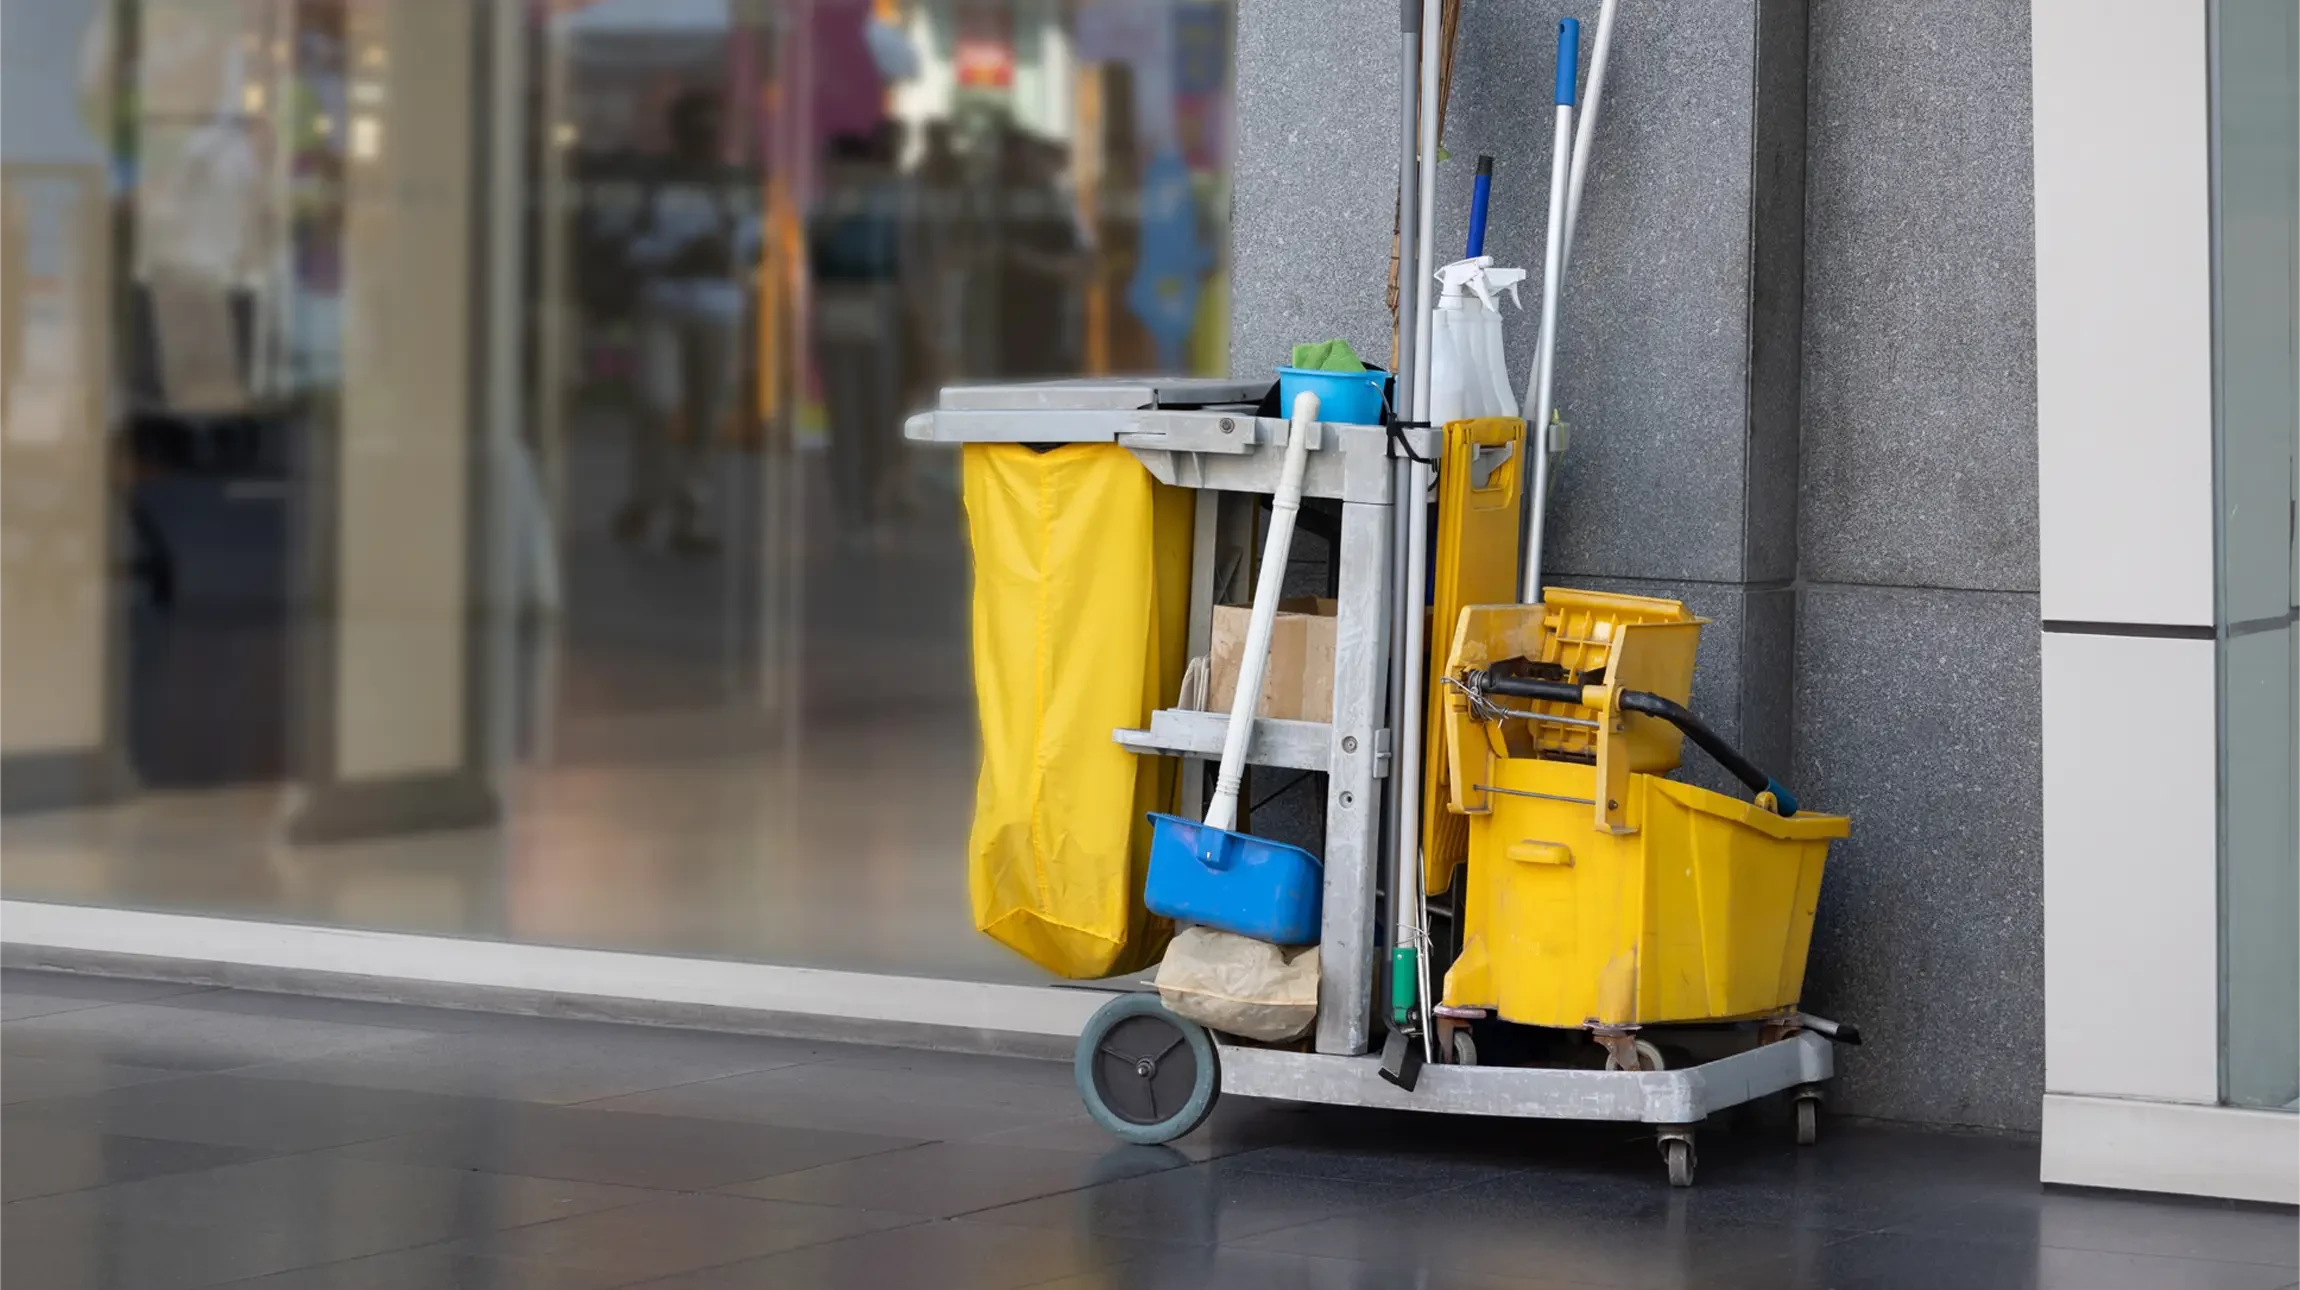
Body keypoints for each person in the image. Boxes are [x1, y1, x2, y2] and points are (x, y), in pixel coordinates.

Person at [614, 89, 756, 556]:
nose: (704, 141)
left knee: (707, 414)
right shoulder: (654, 184)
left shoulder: (735, 183)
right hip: (666, 301)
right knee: (657, 400)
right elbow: (625, 243)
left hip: (718, 306)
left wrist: (728, 254)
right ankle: (647, 494)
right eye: (695, 130)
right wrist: (675, 256)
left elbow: (757, 245)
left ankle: (691, 506)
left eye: (711, 131)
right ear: (678, 135)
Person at [808, 122, 908, 542]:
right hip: (837, 301)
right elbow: (814, 247)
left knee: (879, 408)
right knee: (845, 410)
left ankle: (872, 497)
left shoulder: (886, 199)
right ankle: (850, 505)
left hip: (878, 302)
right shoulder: (826, 204)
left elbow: (901, 255)